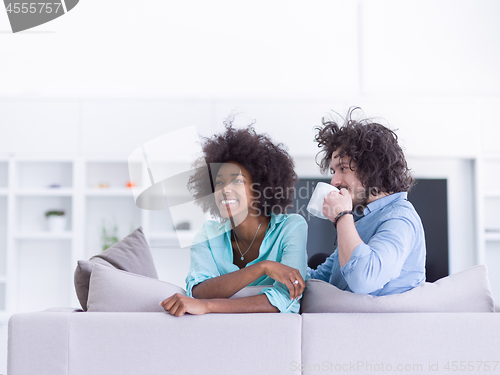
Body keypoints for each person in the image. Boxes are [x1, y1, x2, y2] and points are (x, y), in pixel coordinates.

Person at [160, 119, 308, 316]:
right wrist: (263, 268)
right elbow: (198, 292)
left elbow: (286, 299)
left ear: (259, 189)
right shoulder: (208, 233)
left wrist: (210, 306)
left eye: (237, 181)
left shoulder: (291, 227)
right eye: (219, 182)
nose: (224, 189)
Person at [308, 108, 426, 295]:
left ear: (372, 169)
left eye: (343, 169)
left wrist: (342, 216)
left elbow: (365, 280)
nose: (334, 182)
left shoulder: (400, 217)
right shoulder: (362, 220)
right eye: (334, 171)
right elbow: (322, 279)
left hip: (378, 324)